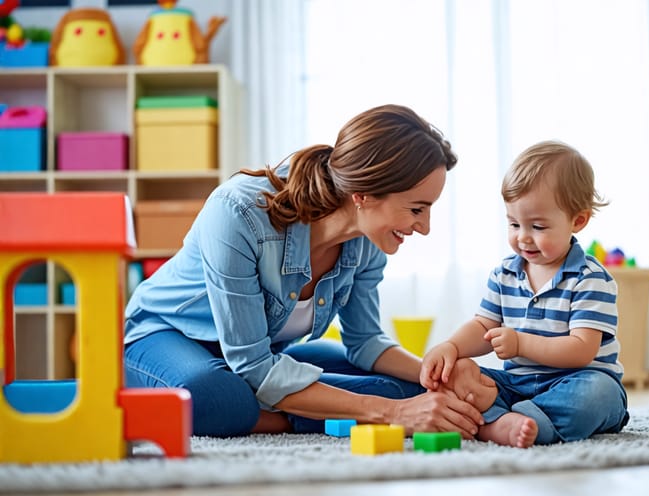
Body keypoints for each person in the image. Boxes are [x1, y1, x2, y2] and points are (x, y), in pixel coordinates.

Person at [123, 104, 487, 438]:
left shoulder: (367, 240)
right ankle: (282, 411)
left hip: (260, 358)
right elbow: (253, 365)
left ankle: (279, 405)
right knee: (217, 398)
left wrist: (437, 372)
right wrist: (391, 412)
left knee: (416, 389)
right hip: (163, 337)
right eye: (416, 209)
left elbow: (366, 344)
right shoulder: (237, 212)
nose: (424, 227)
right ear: (364, 194)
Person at [420, 140, 629, 448]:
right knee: (460, 371)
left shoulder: (590, 279)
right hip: (517, 384)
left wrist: (520, 343)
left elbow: (581, 350)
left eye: (538, 227)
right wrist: (451, 347)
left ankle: (506, 420)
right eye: (514, 223)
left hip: (576, 380)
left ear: (578, 221)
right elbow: (483, 326)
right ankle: (504, 420)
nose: (523, 237)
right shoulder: (504, 273)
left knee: (598, 394)